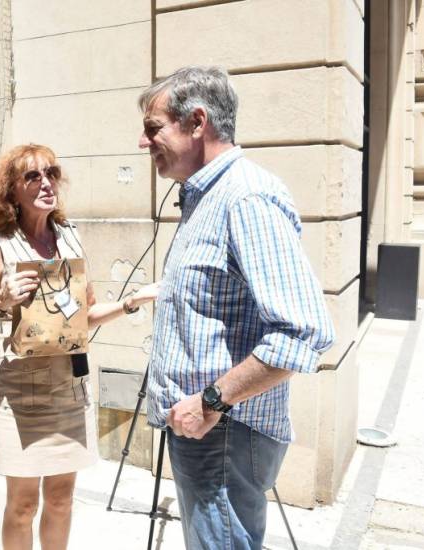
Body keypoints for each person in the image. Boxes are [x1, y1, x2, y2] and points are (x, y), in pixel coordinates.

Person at [138, 66, 335, 550]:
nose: (145, 144)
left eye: (153, 128)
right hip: (207, 431)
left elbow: (301, 333)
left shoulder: (245, 196)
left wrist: (211, 401)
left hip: (222, 434)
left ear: (197, 122)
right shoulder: (207, 195)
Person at [0, 144, 157, 550]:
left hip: (69, 390)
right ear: (11, 190)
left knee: (62, 500)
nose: (46, 182)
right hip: (22, 396)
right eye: (32, 176)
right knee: (23, 506)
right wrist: (0, 302)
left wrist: (132, 300)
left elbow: (86, 314)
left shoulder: (70, 239)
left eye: (51, 173)